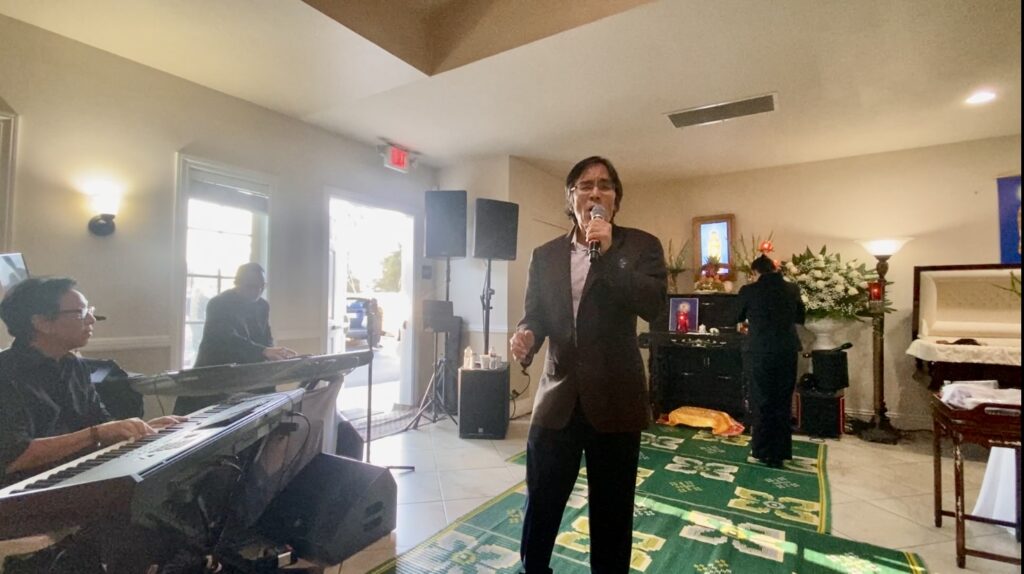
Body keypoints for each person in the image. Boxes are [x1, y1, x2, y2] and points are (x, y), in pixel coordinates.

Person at [509, 156, 666, 573]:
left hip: (616, 399)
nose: (595, 191)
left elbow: (654, 305)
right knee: (541, 501)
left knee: (613, 511)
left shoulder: (641, 246)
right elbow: (535, 315)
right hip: (557, 397)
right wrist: (527, 335)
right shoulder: (544, 255)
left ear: (615, 199)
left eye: (605, 185)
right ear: (571, 197)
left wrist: (610, 254)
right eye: (585, 185)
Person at [0, 277, 186, 487]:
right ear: (42, 323)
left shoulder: (75, 366)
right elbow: (15, 457)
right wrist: (97, 434)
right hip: (27, 492)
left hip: (79, 478)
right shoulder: (5, 373)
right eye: (80, 312)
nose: (91, 319)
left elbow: (102, 425)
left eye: (90, 310)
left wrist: (141, 429)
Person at [174, 263, 296, 415]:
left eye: (262, 286)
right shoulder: (219, 304)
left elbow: (265, 337)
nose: (257, 291)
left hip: (246, 375)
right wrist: (264, 351)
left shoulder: (262, 306)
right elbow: (227, 339)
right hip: (213, 376)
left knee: (265, 410)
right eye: (251, 286)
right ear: (238, 282)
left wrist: (275, 354)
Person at [735, 254, 805, 468]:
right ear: (774, 269)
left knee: (761, 400)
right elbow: (800, 317)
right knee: (782, 401)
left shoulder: (749, 290)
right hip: (786, 350)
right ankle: (780, 452)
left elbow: (736, 316)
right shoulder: (792, 289)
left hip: (760, 351)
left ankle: (762, 451)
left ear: (755, 272)